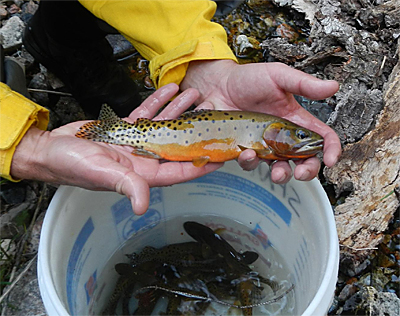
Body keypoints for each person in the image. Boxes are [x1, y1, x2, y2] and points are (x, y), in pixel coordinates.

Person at [0, 0, 341, 214]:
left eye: (298, 137)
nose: (301, 140)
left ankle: (59, 35)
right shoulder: (263, 137)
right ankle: (57, 45)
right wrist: (25, 145)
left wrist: (200, 60)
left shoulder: (263, 135)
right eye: (297, 135)